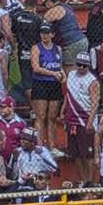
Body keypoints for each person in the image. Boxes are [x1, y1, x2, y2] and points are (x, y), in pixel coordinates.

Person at [30, 24, 64, 156]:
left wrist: (62, 74)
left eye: (47, 32)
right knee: (41, 116)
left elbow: (59, 66)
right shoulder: (36, 48)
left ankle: (52, 147)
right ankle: (39, 146)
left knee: (52, 117)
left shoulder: (58, 49)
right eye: (42, 32)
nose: (44, 35)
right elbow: (36, 67)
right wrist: (53, 74)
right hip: (40, 83)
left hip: (54, 84)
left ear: (52, 34)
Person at [66, 53, 100, 182]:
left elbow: (95, 103)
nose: (81, 67)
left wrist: (90, 122)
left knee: (88, 155)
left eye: (84, 66)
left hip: (85, 119)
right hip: (72, 119)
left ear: (88, 66)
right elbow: (68, 95)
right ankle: (83, 180)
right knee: (77, 155)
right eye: (79, 64)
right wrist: (63, 112)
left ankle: (90, 182)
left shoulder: (92, 81)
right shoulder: (71, 75)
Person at [40, 0, 88, 73]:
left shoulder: (54, 10)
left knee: (69, 70)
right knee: (80, 69)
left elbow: (43, 22)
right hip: (81, 39)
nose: (46, 6)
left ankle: (71, 85)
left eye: (45, 4)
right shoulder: (67, 6)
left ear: (49, 1)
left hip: (71, 43)